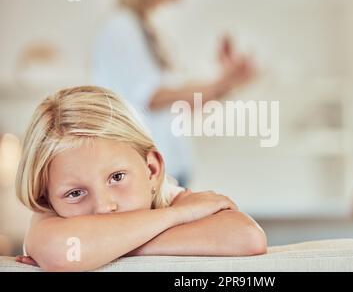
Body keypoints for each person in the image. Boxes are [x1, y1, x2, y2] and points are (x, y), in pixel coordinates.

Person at [14, 86, 266, 271]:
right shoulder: (49, 218)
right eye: (75, 193)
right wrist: (175, 217)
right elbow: (63, 252)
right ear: (47, 199)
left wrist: (102, 246)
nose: (103, 206)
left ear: (152, 170)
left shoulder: (174, 197)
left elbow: (247, 237)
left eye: (117, 177)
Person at [92, 0, 255, 187]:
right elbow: (151, 96)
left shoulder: (146, 29)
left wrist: (227, 83)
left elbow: (176, 106)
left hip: (169, 170)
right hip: (148, 173)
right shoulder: (121, 27)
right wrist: (222, 83)